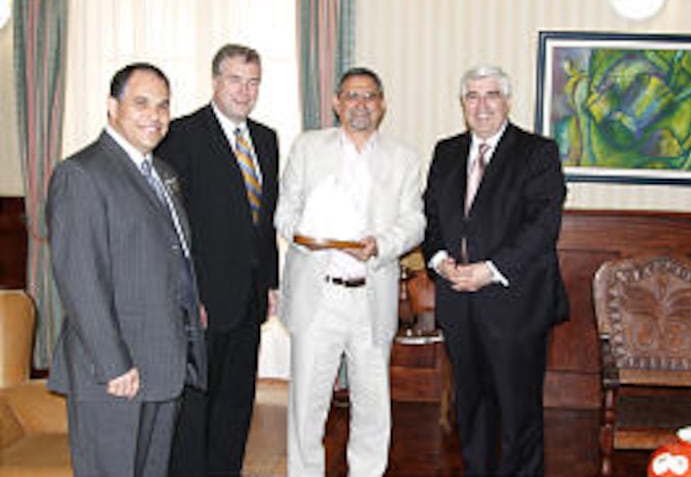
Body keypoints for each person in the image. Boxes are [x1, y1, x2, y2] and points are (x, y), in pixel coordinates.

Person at [47, 62, 207, 476]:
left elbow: (171, 254)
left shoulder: (163, 174)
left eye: (163, 106)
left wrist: (191, 305)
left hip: (163, 360)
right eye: (141, 103)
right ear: (112, 106)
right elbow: (80, 279)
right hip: (115, 372)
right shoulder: (81, 173)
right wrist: (113, 362)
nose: (154, 115)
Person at [275, 67, 425, 476]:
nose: (361, 104)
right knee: (307, 404)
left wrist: (383, 245)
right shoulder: (307, 148)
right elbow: (283, 212)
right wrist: (305, 234)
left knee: (373, 404)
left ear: (382, 105)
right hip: (317, 296)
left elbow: (415, 222)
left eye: (370, 96)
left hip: (371, 297)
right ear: (336, 103)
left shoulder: (404, 158)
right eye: (352, 96)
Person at [422, 65, 569, 476]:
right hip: (458, 302)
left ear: (507, 101)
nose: (482, 105)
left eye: (491, 95)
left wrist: (489, 269)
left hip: (515, 303)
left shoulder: (538, 152)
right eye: (472, 96)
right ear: (462, 103)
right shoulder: (446, 151)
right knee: (471, 407)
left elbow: (543, 226)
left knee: (518, 412)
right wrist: (438, 261)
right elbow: (431, 218)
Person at [155, 44, 279, 476]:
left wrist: (270, 283)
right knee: (194, 411)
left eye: (253, 81)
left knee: (236, 405)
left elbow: (264, 223)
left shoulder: (266, 139)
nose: (245, 91)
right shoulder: (181, 135)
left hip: (248, 301)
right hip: (201, 303)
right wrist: (187, 297)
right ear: (215, 81)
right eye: (235, 79)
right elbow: (171, 228)